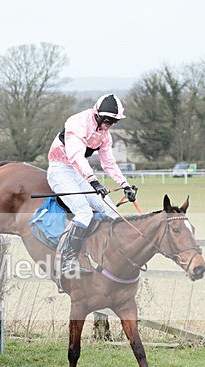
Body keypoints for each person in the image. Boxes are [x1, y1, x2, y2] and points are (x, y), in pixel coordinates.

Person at [46, 93, 137, 276]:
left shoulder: (104, 135)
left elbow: (108, 163)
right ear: (97, 114)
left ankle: (113, 257)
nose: (110, 125)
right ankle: (67, 260)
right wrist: (93, 181)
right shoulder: (77, 123)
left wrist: (125, 185)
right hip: (60, 170)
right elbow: (76, 156)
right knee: (84, 212)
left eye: (114, 122)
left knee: (111, 211)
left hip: (79, 173)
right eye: (108, 120)